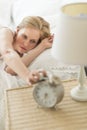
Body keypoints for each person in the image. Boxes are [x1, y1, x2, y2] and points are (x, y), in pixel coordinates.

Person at [0, 16, 53, 85]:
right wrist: (27, 75)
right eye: (24, 36)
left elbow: (10, 70)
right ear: (17, 30)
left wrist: (42, 46)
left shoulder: (19, 54)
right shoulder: (6, 32)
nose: (26, 44)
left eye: (33, 41)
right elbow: (7, 53)